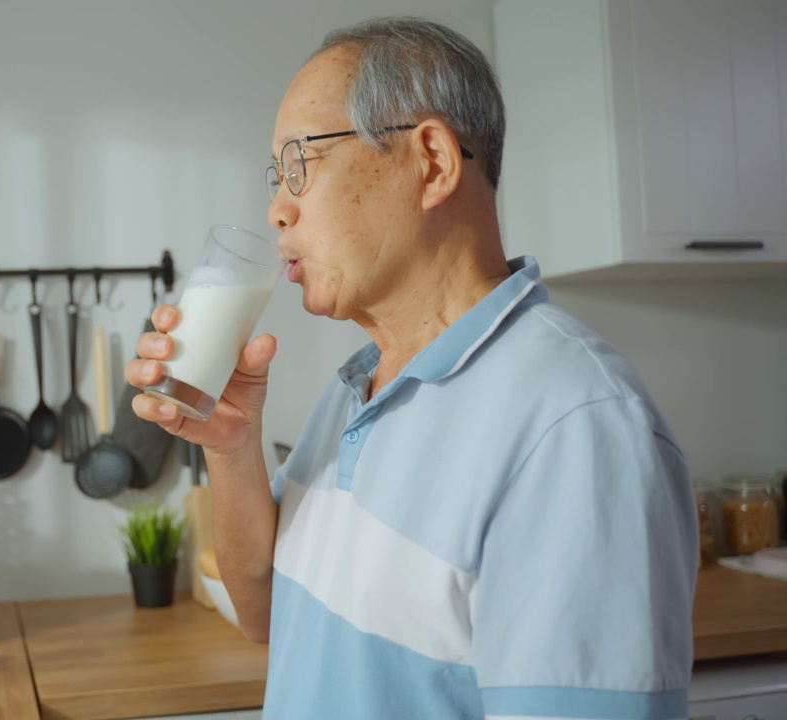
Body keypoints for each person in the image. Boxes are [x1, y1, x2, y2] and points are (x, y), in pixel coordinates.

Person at [125, 16, 697, 720]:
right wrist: (233, 445)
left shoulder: (576, 427)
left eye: (300, 161)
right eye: (278, 175)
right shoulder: (358, 391)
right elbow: (267, 621)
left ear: (431, 161)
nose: (277, 207)